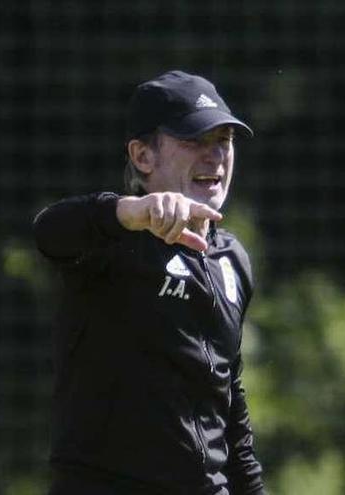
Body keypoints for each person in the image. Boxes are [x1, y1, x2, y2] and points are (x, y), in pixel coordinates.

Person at [33, 70, 266, 495]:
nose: (214, 156)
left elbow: (230, 407)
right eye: (195, 141)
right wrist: (129, 213)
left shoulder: (232, 260)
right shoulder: (114, 243)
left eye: (224, 141)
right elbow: (49, 231)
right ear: (143, 157)